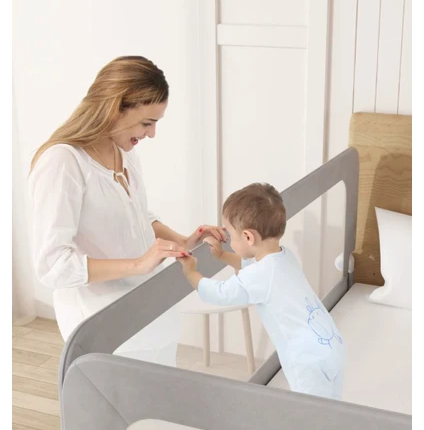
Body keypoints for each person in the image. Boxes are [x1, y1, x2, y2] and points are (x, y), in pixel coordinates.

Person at [29, 55, 225, 366]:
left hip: (149, 310)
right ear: (115, 107)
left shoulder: (124, 152)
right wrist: (138, 264)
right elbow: (52, 265)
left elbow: (137, 216)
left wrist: (182, 241)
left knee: (162, 393)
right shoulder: (63, 162)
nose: (152, 134)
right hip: (103, 324)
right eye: (147, 123)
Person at [178, 182, 345, 399]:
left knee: (308, 412)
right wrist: (222, 256)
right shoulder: (284, 255)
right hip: (332, 344)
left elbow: (220, 293)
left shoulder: (261, 275)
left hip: (307, 358)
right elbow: (251, 267)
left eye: (231, 236)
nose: (229, 241)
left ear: (248, 237)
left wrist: (191, 272)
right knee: (331, 407)